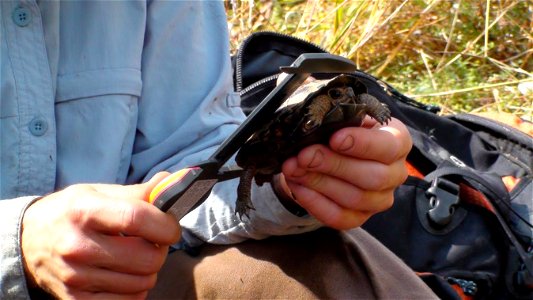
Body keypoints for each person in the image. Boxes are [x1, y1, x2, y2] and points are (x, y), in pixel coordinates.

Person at [1, 1, 436, 299]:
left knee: (329, 262)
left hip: (133, 272)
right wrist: (20, 241)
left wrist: (292, 187)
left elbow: (194, 159)